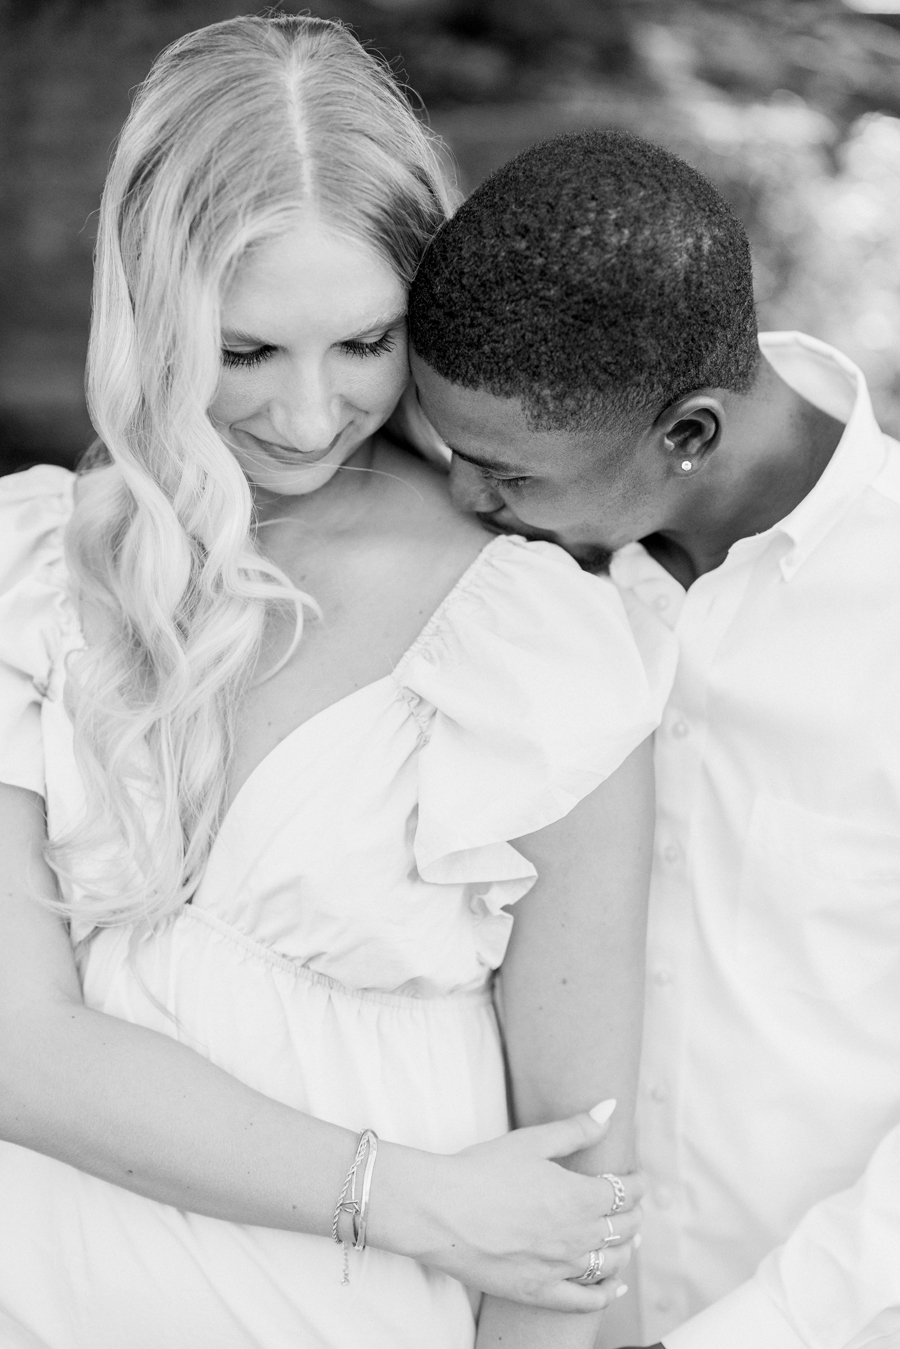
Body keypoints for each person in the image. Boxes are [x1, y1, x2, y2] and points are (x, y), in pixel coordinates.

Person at [0, 21, 675, 1349]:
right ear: (147, 308)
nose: (308, 419)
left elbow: (578, 1192)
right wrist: (404, 1198)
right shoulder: (29, 569)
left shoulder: (527, 637)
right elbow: (15, 1043)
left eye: (363, 345)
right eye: (245, 353)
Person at [407, 128, 900, 1349]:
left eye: (506, 473)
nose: (463, 500)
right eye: (451, 449)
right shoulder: (521, 583)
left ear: (686, 434)